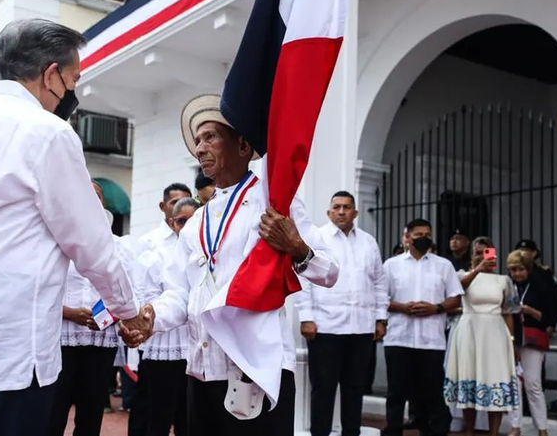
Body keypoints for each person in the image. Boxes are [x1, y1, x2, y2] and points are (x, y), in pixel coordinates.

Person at [0, 19, 145, 436]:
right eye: (73, 80)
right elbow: (92, 245)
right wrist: (128, 312)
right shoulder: (48, 133)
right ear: (51, 75)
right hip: (8, 352)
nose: (73, 92)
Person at [121, 94, 339, 436]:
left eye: (210, 137)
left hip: (256, 368)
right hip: (202, 368)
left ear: (243, 146)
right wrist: (152, 318)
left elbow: (329, 272)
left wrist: (297, 247)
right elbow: (179, 294)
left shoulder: (273, 201)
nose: (200, 148)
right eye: (197, 140)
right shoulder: (196, 222)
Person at [50, 181, 144, 436]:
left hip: (101, 339)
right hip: (61, 339)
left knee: (91, 415)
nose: (92, 199)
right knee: (54, 412)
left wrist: (114, 315)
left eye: (98, 196)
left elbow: (129, 289)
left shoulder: (119, 246)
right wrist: (70, 313)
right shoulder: (57, 242)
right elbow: (41, 291)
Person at [294, 190, 386, 436]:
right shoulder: (317, 238)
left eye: (347, 207)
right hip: (325, 327)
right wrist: (306, 317)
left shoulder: (368, 242)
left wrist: (380, 318)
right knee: (323, 388)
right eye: (337, 207)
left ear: (355, 212)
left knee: (355, 388)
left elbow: (379, 281)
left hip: (362, 327)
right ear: (329, 212)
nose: (342, 212)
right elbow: (303, 278)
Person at [383, 218, 462, 436]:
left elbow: (455, 298)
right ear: (407, 237)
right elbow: (379, 298)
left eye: (427, 234)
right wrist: (402, 307)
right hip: (399, 337)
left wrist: (436, 308)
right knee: (396, 392)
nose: (423, 238)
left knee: (432, 393)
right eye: (419, 234)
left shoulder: (443, 265)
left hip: (431, 340)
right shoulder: (391, 265)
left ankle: (434, 432)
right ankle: (393, 431)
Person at [129, 197, 200, 436]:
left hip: (194, 345)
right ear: (171, 223)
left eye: (193, 221)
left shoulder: (207, 255)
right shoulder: (156, 256)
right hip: (165, 343)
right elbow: (148, 296)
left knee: (189, 417)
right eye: (181, 221)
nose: (187, 227)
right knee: (159, 415)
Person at [444, 238, 520, 436]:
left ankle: (493, 432)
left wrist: (512, 341)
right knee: (469, 378)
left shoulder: (504, 280)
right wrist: (477, 270)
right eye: (478, 253)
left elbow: (509, 312)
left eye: (487, 253)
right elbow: (456, 291)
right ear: (471, 255)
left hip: (495, 332)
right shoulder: (462, 275)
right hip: (469, 330)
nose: (482, 257)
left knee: (495, 380)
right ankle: (469, 431)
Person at [506, 250, 554, 436]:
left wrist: (529, 311)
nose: (517, 274)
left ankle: (542, 428)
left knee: (533, 383)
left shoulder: (540, 286)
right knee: (514, 383)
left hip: (532, 338)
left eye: (521, 269)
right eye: (513, 270)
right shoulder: (507, 286)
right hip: (511, 339)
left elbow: (549, 317)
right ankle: (515, 426)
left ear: (528, 269)